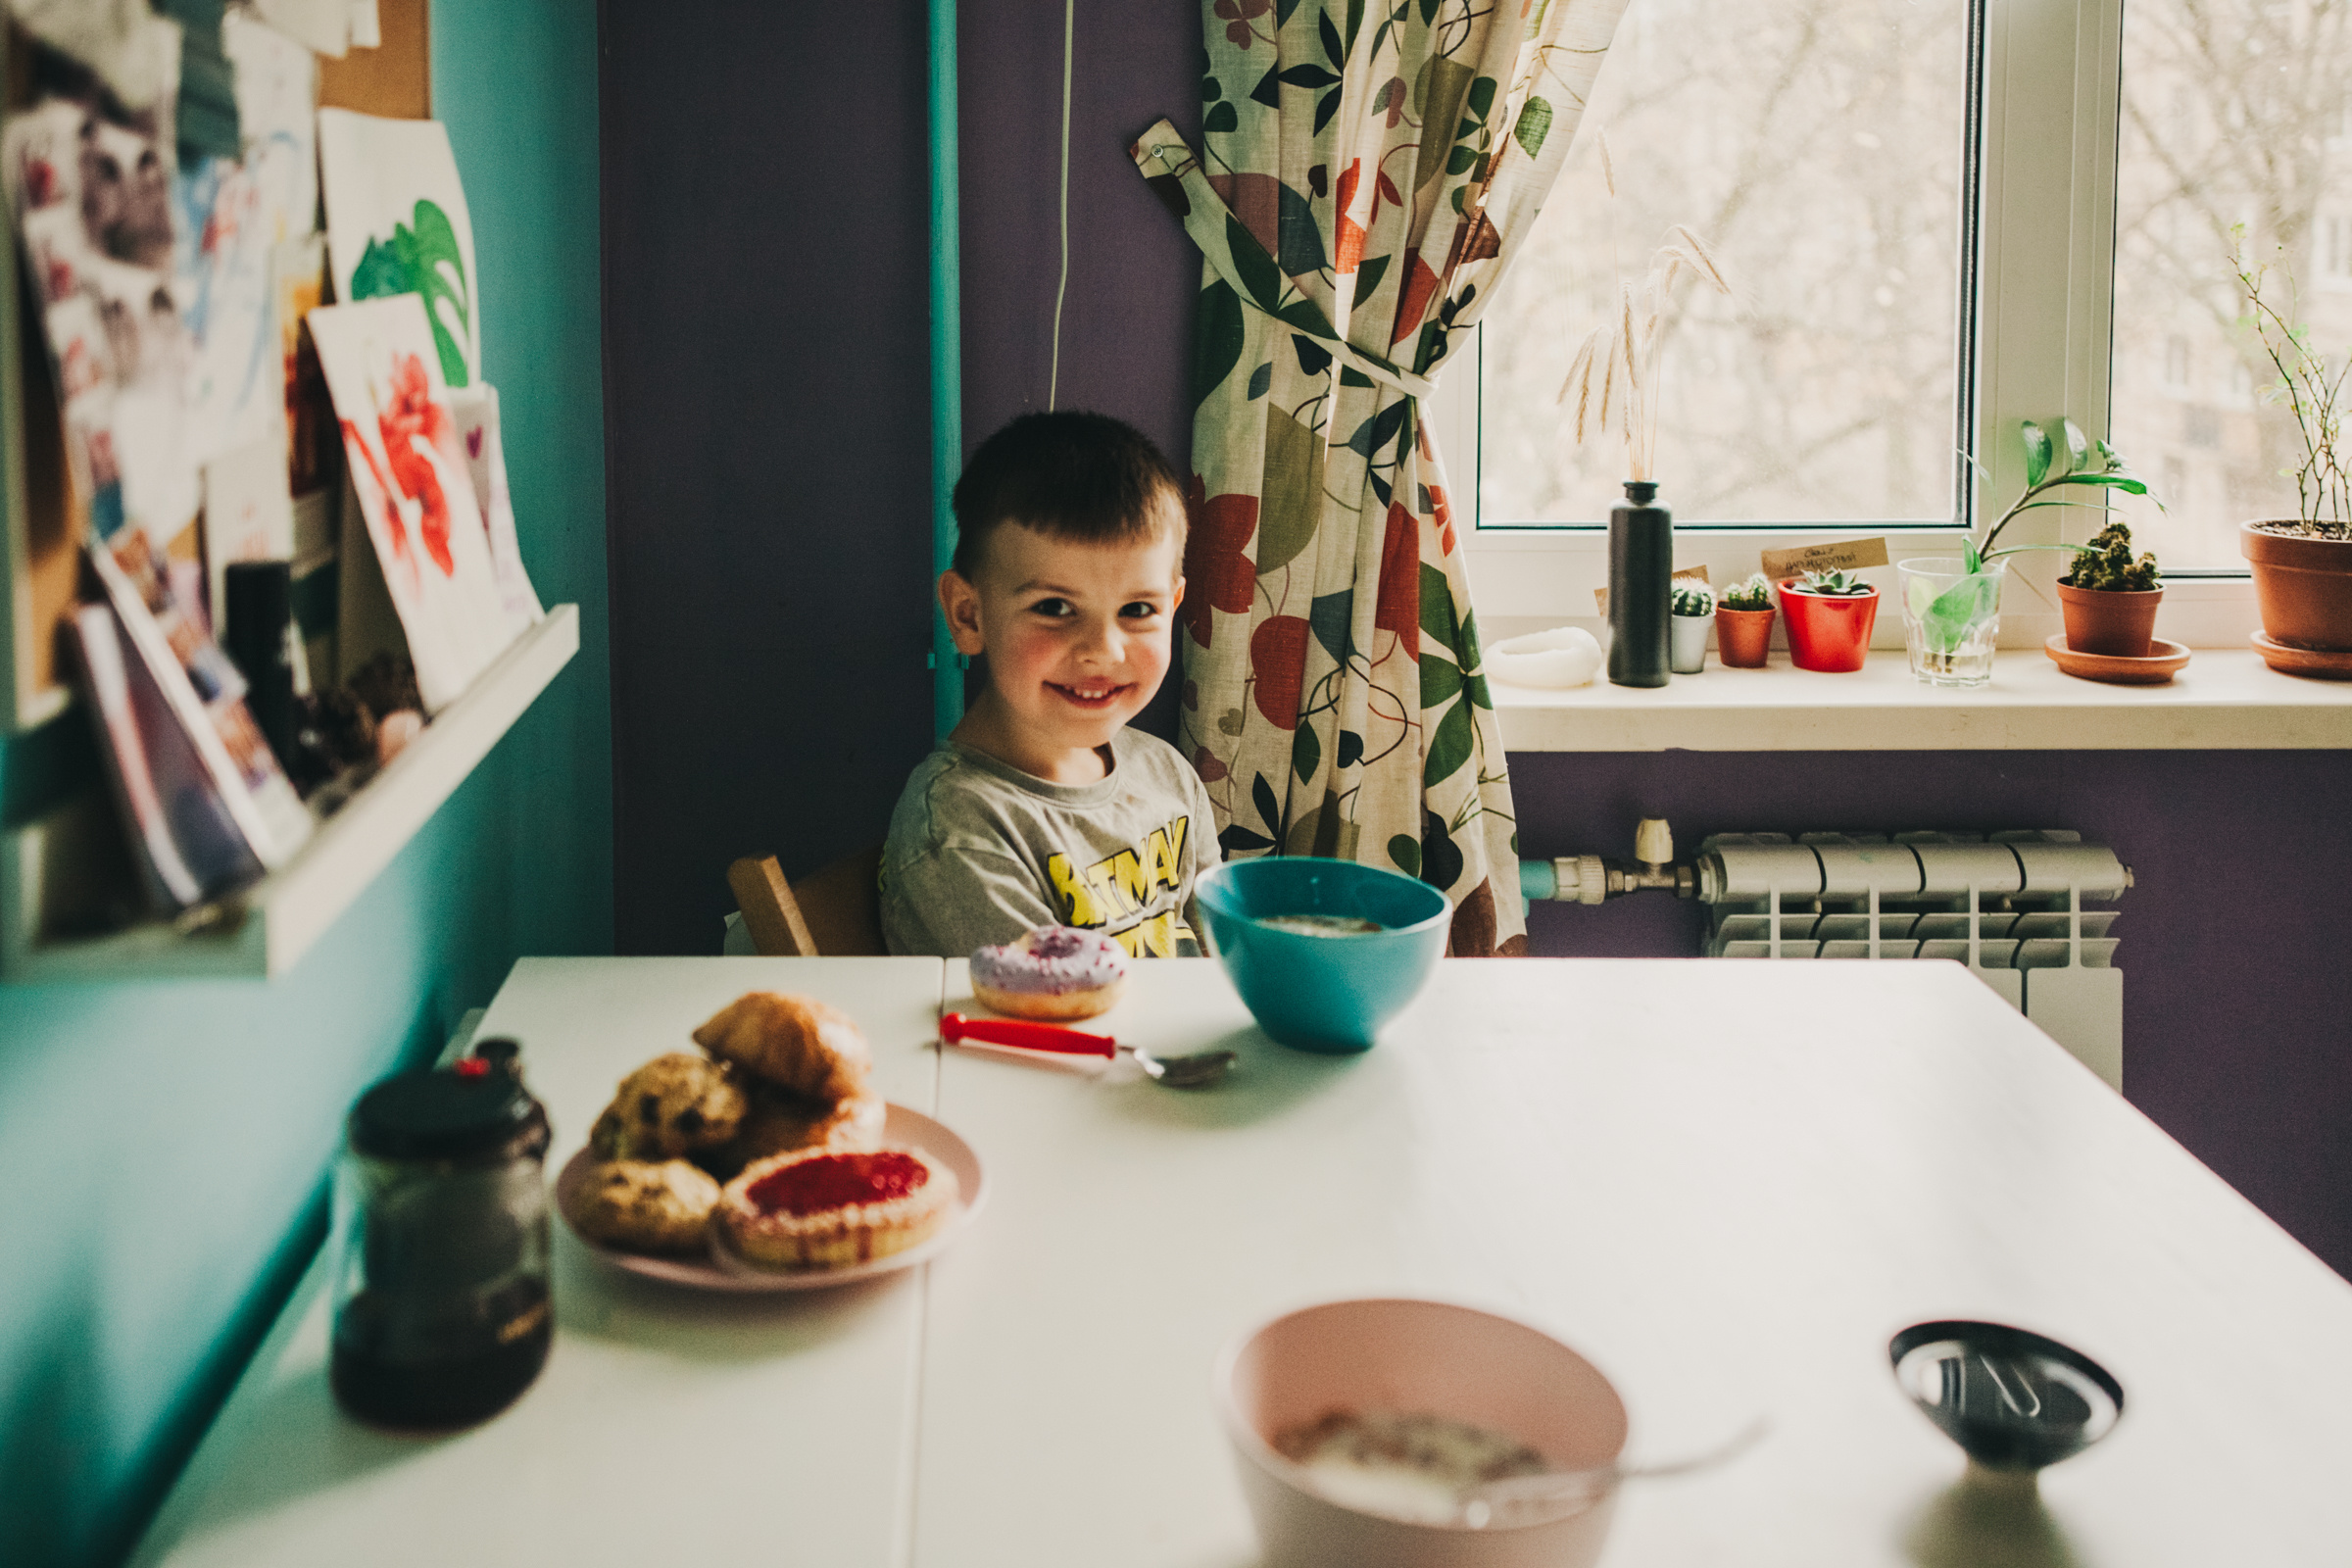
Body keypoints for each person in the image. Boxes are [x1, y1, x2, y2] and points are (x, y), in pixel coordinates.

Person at [881, 412, 1220, 957]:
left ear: (1174, 607)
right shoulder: (962, 833)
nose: (1104, 651)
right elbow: (1050, 1028)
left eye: (1137, 609)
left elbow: (1220, 960)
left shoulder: (1166, 774)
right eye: (1055, 607)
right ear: (969, 616)